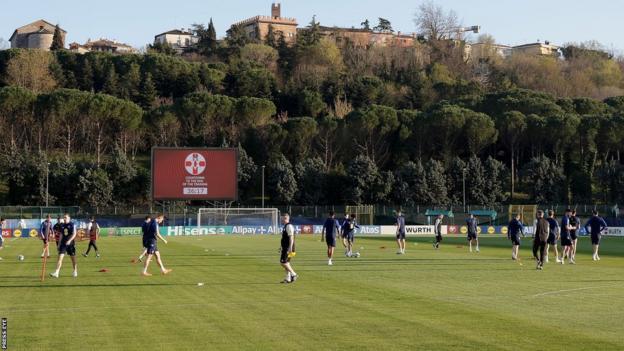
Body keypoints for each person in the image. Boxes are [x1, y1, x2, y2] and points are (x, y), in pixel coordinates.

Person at [50, 214, 78, 278]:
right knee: (60, 258)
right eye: (64, 217)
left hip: (70, 244)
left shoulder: (72, 224)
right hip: (63, 244)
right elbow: (61, 235)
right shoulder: (62, 225)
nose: (64, 219)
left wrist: (69, 240)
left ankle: (75, 271)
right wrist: (59, 244)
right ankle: (57, 272)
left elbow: (74, 234)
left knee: (73, 259)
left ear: (69, 218)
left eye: (66, 217)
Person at [279, 213, 298, 283]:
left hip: (288, 248)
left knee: (283, 263)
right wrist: (281, 246)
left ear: (285, 219)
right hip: (286, 247)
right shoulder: (285, 226)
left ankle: (294, 274)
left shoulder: (289, 226)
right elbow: (284, 238)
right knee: (287, 263)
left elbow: (291, 237)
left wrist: (290, 248)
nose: (281, 220)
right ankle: (288, 278)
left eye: (282, 218)